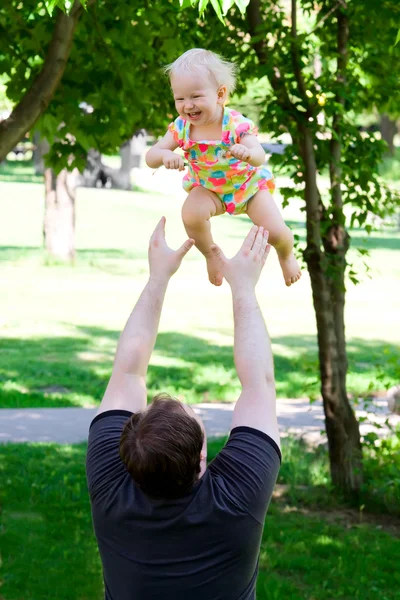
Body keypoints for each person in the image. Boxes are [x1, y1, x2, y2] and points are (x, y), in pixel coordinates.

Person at [86, 218, 281, 600]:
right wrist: (243, 288)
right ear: (202, 458)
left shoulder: (111, 489)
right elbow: (259, 383)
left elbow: (128, 372)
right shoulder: (236, 501)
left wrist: (158, 277)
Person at [145, 48, 301, 288]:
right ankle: (212, 256)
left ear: (220, 94)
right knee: (191, 214)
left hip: (247, 188)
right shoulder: (181, 127)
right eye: (180, 99)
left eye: (195, 97)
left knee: (275, 233)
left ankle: (286, 254)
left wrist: (247, 153)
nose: (188, 106)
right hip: (209, 189)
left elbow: (259, 156)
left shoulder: (236, 124)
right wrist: (165, 155)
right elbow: (151, 156)